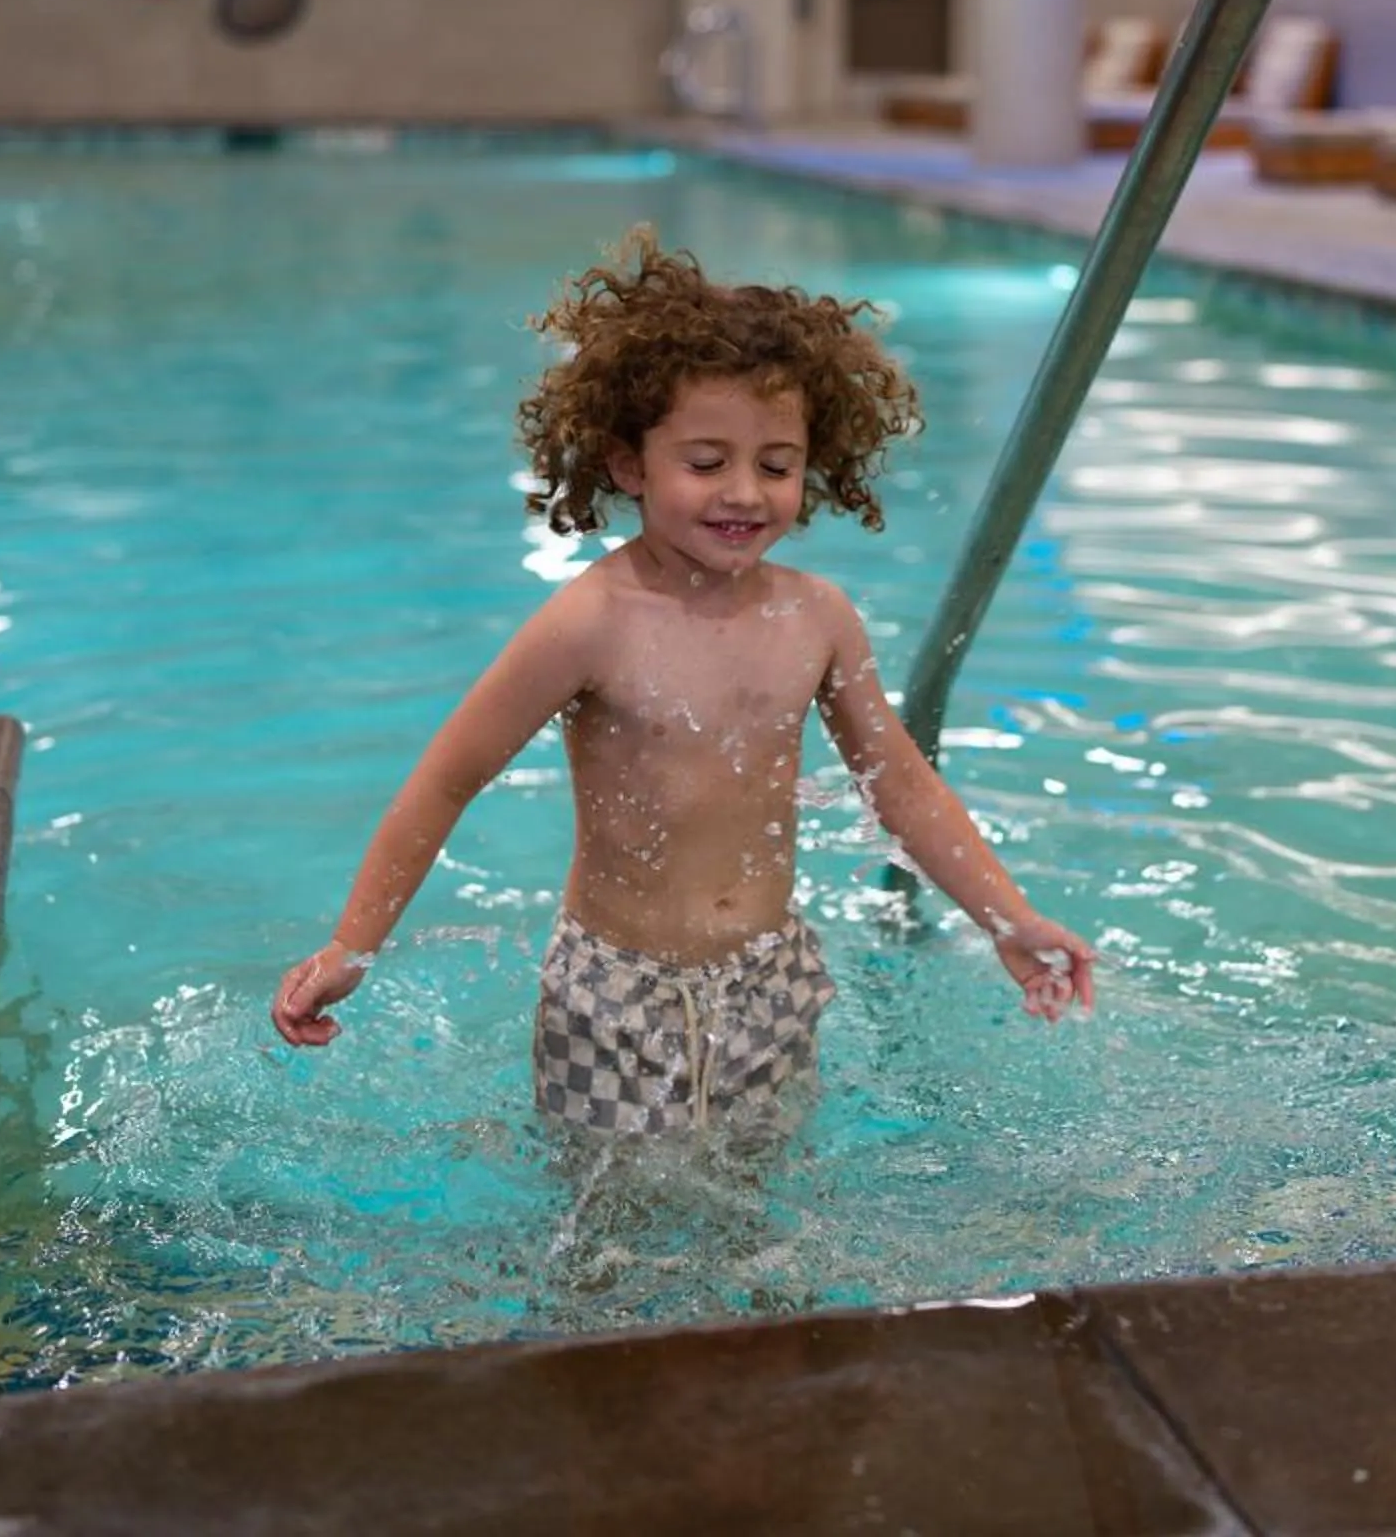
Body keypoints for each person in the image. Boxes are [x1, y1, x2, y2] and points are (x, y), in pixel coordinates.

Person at [270, 228, 1098, 1138]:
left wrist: (1007, 919)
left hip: (770, 978)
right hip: (614, 991)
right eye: (706, 463)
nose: (744, 491)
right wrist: (354, 946)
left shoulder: (816, 617)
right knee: (606, 1231)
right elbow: (446, 781)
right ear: (630, 464)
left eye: (776, 466)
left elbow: (899, 784)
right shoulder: (592, 622)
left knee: (761, 1226)